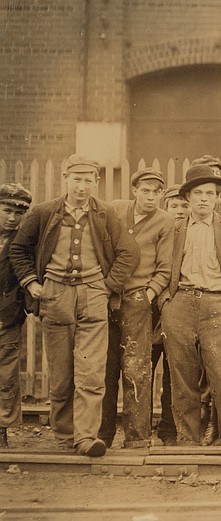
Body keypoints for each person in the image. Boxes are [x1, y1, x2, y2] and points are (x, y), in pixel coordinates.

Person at [10, 154, 139, 457]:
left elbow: (128, 254)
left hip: (93, 295)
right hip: (55, 295)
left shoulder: (105, 214)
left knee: (91, 371)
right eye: (77, 179)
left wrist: (107, 287)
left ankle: (85, 437)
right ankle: (65, 434)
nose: (82, 187)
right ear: (65, 178)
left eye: (88, 180)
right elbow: (19, 250)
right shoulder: (43, 213)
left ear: (96, 182)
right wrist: (31, 282)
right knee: (62, 373)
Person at [158, 164, 221, 446]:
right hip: (181, 304)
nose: (203, 199)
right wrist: (166, 303)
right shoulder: (174, 228)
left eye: (210, 193)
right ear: (187, 197)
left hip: (218, 304)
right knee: (183, 379)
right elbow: (161, 267)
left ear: (218, 197)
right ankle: (188, 442)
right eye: (198, 193)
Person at [100, 167, 174, 449]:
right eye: (145, 190)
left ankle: (137, 437)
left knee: (136, 369)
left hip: (138, 301)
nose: (151, 196)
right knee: (105, 368)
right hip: (108, 296)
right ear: (134, 190)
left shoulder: (164, 221)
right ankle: (102, 435)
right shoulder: (116, 210)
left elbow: (164, 269)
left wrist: (148, 295)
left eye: (157, 192)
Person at [150, 184, 186, 446]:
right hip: (150, 309)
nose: (180, 210)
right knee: (145, 367)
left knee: (174, 372)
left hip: (178, 309)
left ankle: (169, 430)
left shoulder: (192, 233)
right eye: (175, 205)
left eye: (184, 205)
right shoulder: (156, 231)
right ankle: (140, 428)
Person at [0, 183, 33, 448]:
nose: (12, 218)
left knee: (6, 374)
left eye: (18, 213)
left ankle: (2, 428)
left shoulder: (23, 243)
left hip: (6, 317)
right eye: (6, 210)